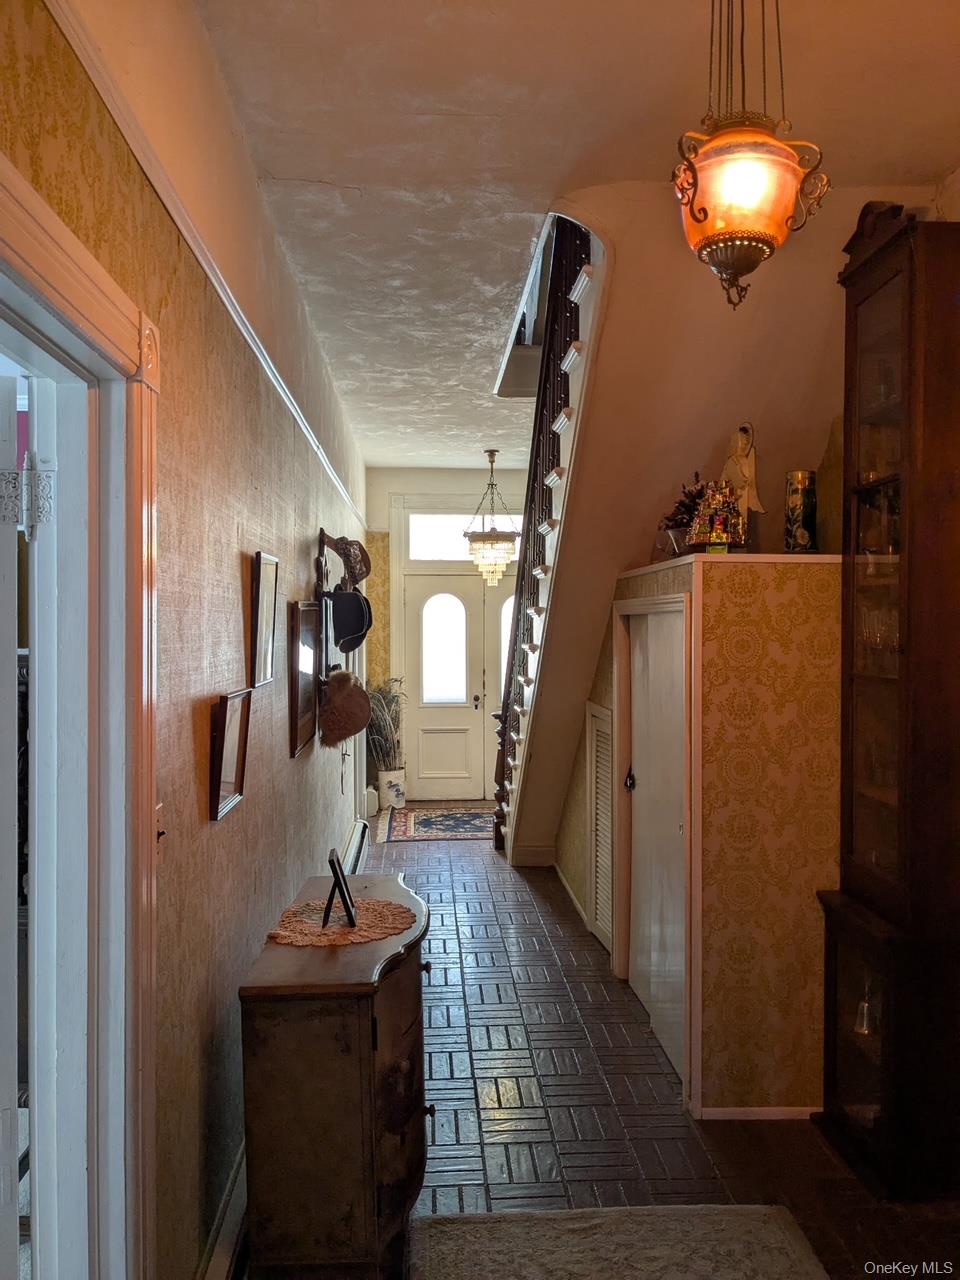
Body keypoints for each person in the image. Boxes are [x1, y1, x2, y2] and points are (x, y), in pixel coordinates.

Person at [720, 421, 765, 525]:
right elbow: (739, 482)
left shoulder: (743, 460)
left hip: (740, 501)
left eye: (746, 442)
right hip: (730, 503)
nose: (745, 444)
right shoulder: (732, 461)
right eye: (742, 442)